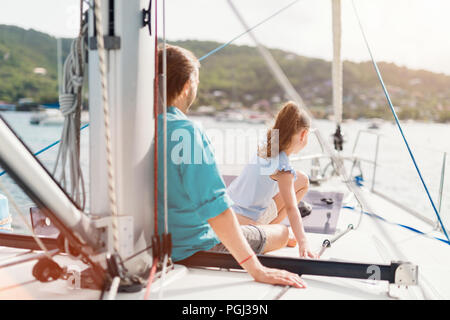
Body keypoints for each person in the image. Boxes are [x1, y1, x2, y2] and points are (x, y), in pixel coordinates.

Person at [157, 44, 307, 288]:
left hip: (152, 246)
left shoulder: (133, 128)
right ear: (186, 87)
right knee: (281, 234)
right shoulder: (186, 132)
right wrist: (256, 269)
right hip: (193, 245)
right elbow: (216, 209)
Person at [227, 101, 318, 258]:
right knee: (284, 234)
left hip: (228, 210)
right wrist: (303, 241)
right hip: (244, 222)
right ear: (303, 135)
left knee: (301, 179)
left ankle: (267, 228)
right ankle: (268, 229)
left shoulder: (267, 145)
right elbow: (291, 208)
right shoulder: (283, 168)